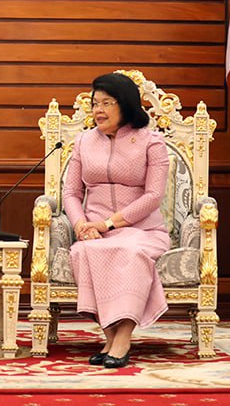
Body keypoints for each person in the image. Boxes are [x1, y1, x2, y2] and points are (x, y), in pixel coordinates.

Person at [62, 72, 170, 369]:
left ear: (125, 104)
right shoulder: (84, 141)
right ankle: (110, 337)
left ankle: (122, 338)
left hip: (142, 230)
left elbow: (153, 196)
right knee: (82, 252)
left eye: (107, 103)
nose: (98, 110)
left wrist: (108, 224)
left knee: (130, 251)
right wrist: (80, 225)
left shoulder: (152, 142)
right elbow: (71, 192)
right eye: (95, 103)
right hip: (94, 232)